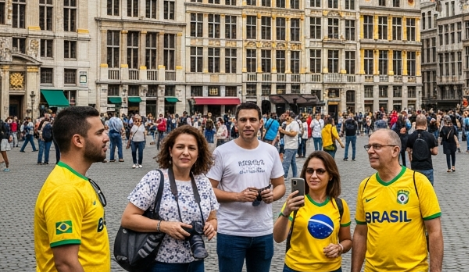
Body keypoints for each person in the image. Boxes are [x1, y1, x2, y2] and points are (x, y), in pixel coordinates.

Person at [121, 125, 219, 272]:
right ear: (170, 150)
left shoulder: (203, 182)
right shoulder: (155, 178)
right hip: (161, 263)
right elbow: (128, 219)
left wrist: (211, 226)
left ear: (198, 153)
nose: (185, 152)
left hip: (196, 262)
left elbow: (213, 218)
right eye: (180, 147)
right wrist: (163, 226)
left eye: (192, 148)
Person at [207, 102, 287, 272]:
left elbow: (280, 185)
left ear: (260, 123)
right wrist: (238, 196)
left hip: (263, 231)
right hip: (231, 231)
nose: (248, 124)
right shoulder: (222, 152)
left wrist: (272, 195)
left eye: (253, 120)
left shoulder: (270, 151)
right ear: (236, 123)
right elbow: (208, 190)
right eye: (243, 120)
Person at [351, 129, 443, 272]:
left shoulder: (418, 182)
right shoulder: (365, 186)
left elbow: (434, 232)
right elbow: (360, 233)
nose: (370, 151)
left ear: (395, 151)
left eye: (376, 146)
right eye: (368, 147)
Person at [34, 107, 110, 272]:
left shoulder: (76, 179)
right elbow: (66, 264)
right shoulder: (65, 190)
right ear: (78, 141)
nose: (106, 138)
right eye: (99, 133)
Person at [274, 151, 352, 272]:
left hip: (331, 269)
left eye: (320, 171)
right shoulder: (295, 202)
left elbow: (347, 240)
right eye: (310, 171)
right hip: (296, 268)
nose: (314, 176)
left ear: (331, 176)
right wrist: (286, 212)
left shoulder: (340, 206)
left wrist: (339, 247)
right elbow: (278, 238)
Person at [406, 114, 439, 185]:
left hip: (415, 166)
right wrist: (428, 150)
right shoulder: (431, 136)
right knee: (429, 191)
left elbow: (409, 151)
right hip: (427, 166)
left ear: (416, 123)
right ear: (426, 124)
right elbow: (435, 152)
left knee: (416, 190)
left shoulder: (411, 137)